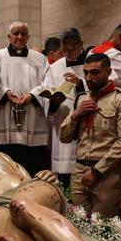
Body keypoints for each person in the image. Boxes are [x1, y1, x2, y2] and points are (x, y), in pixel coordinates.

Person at [58, 53, 121, 217]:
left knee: (103, 230)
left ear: (108, 72)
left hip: (106, 174)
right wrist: (76, 115)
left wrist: (96, 171)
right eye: (86, 72)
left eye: (94, 72)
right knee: (80, 227)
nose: (88, 77)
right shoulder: (80, 100)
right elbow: (64, 137)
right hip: (79, 171)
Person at [0, 21, 49, 176]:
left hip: (33, 118)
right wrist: (5, 93)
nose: (19, 37)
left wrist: (32, 95)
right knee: (7, 168)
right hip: (4, 117)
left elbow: (49, 83)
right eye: (16, 33)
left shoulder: (40, 59)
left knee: (32, 167)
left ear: (28, 37)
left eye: (23, 34)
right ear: (9, 36)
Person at [41, 28, 90, 186]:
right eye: (63, 49)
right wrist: (53, 101)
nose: (67, 53)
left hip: (86, 126)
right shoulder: (55, 67)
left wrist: (81, 84)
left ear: (81, 44)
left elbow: (102, 90)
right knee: (64, 179)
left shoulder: (92, 63)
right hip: (62, 123)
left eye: (71, 49)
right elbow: (47, 94)